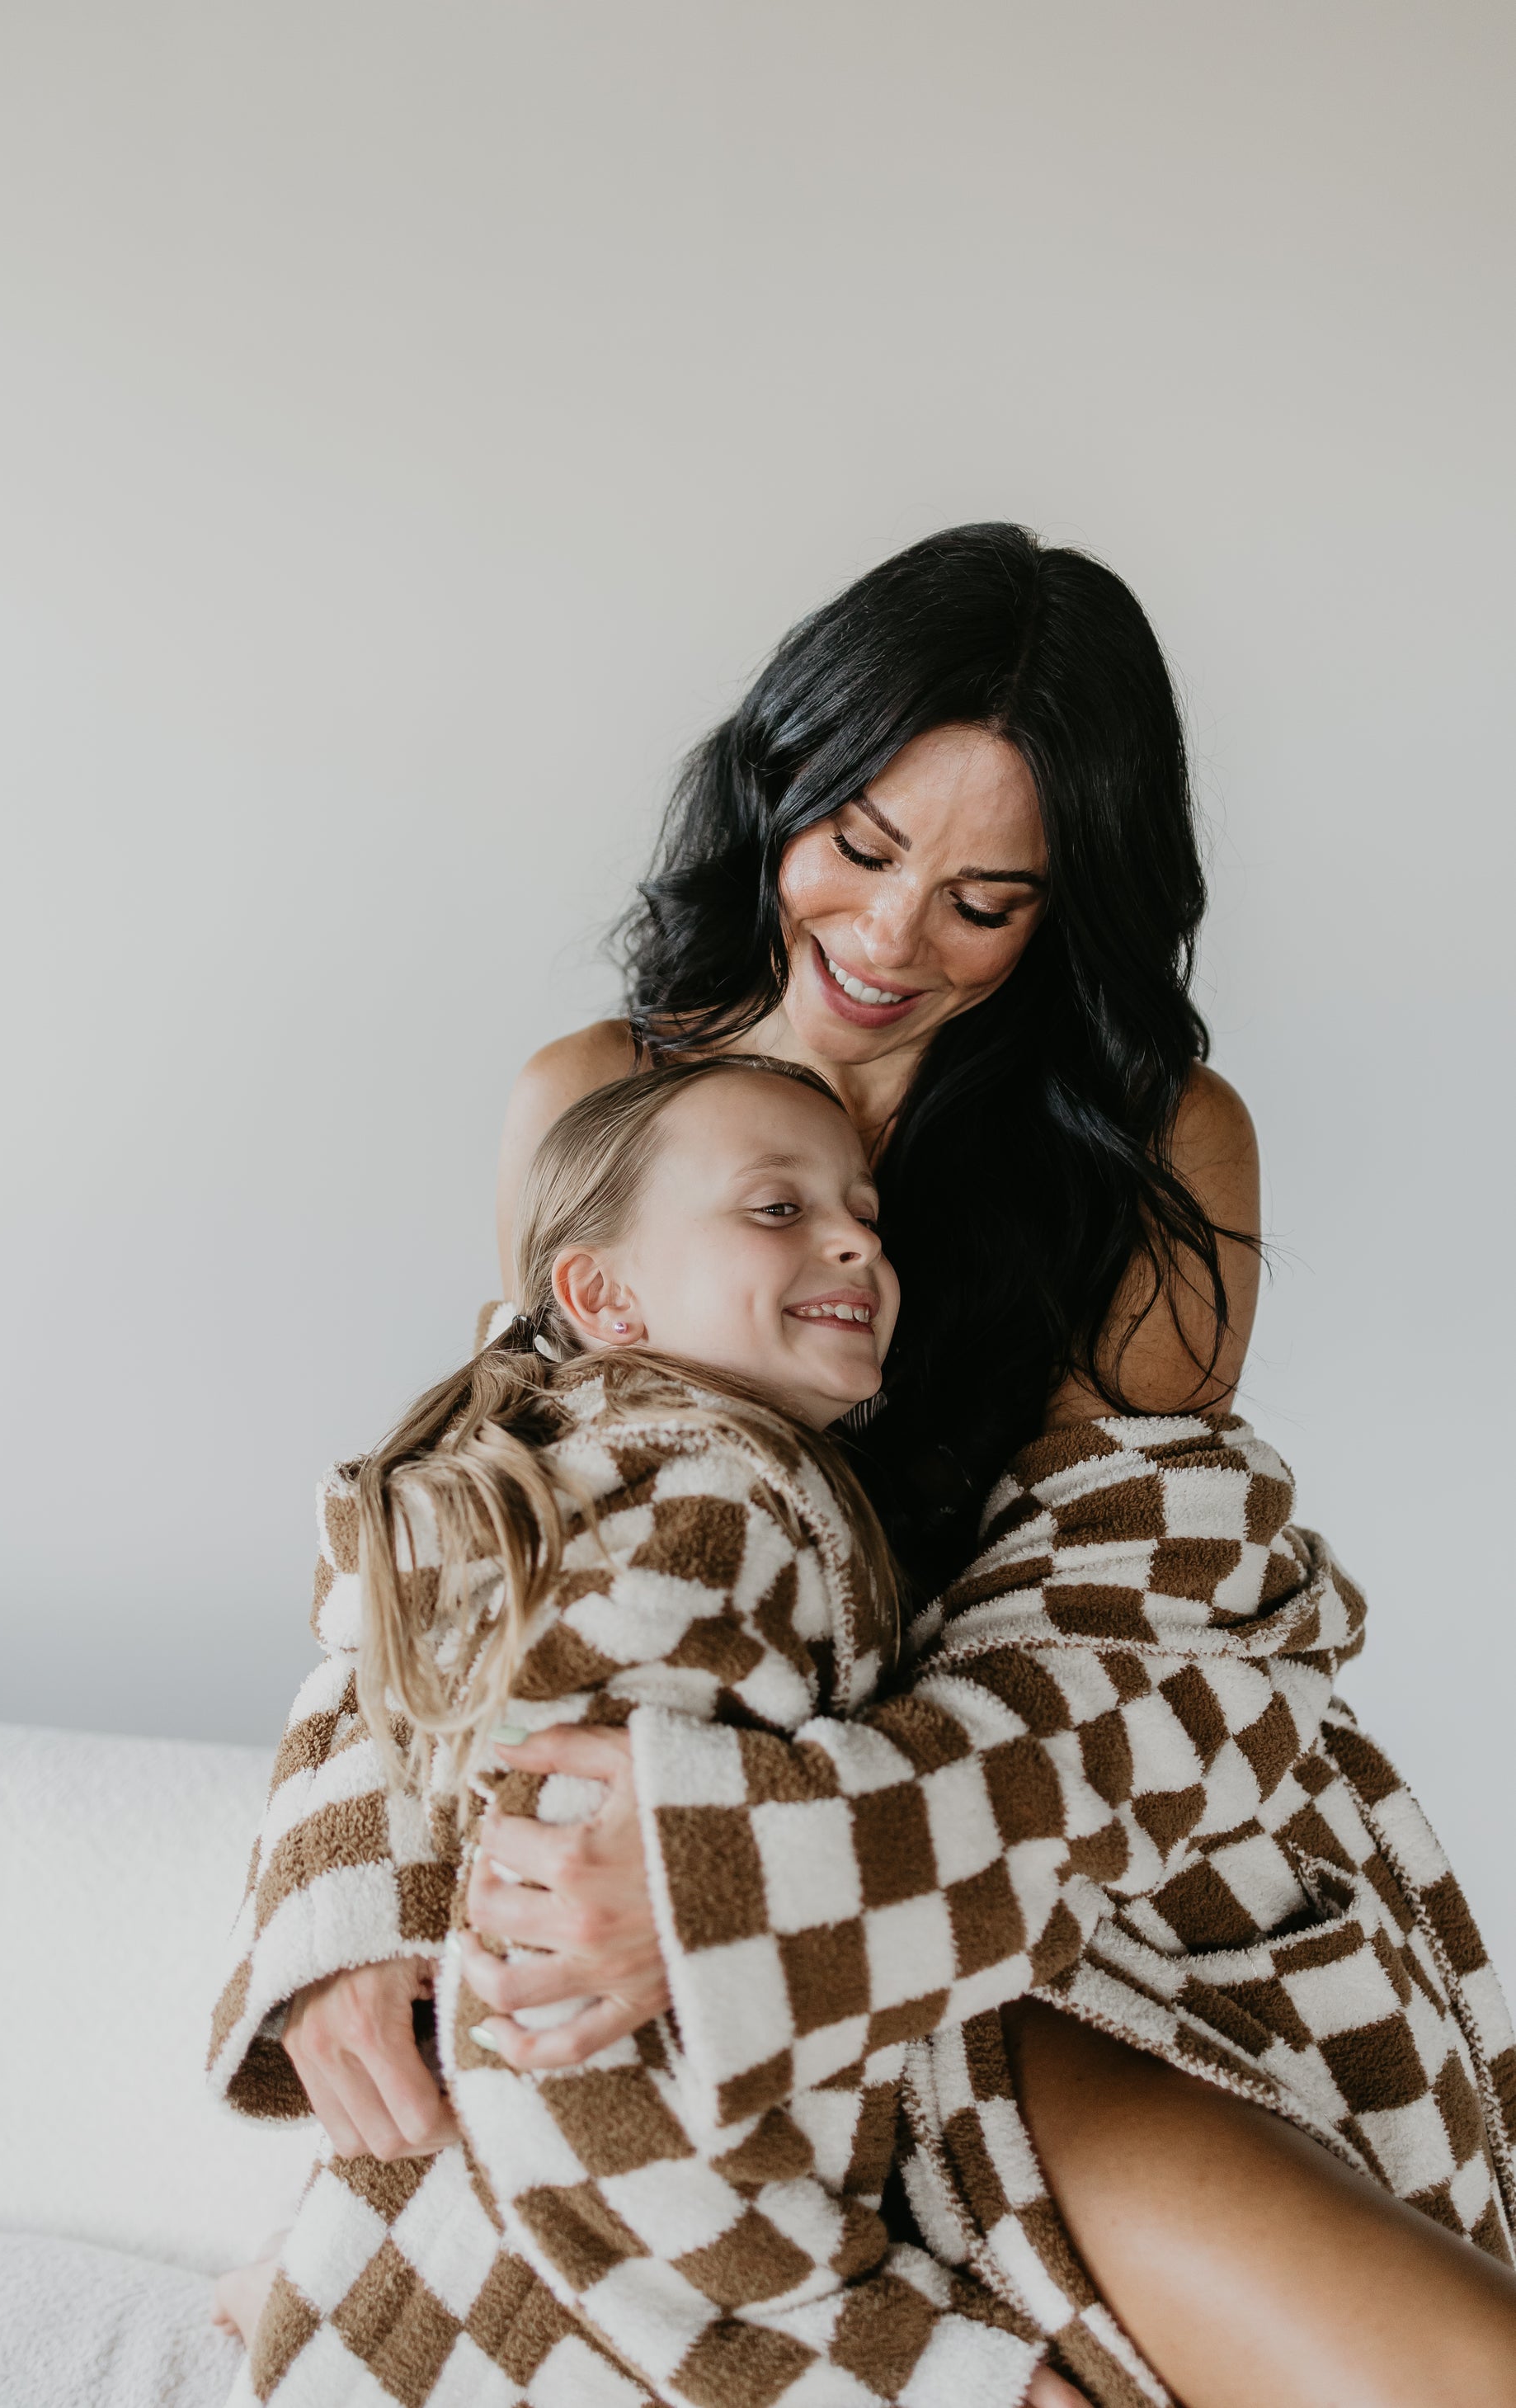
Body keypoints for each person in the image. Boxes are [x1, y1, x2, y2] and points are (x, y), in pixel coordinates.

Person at [228, 526, 1516, 2406]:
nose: (894, 937)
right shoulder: (594, 1096)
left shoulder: (1151, 1149)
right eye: (861, 841)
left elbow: (1127, 1666)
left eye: (988, 897)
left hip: (1064, 1911)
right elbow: (468, 1541)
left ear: (1066, 905)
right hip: (673, 1950)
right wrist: (338, 1913)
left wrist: (735, 1882)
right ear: (778, 786)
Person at [212, 1055, 1084, 2404]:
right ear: (603, 1297)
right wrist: (921, 2368)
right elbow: (554, 2036)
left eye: (862, 1209)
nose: (857, 1235)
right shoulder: (702, 1512)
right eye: (774, 1209)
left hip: (425, 2296)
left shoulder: (612, 1484)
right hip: (563, 2333)